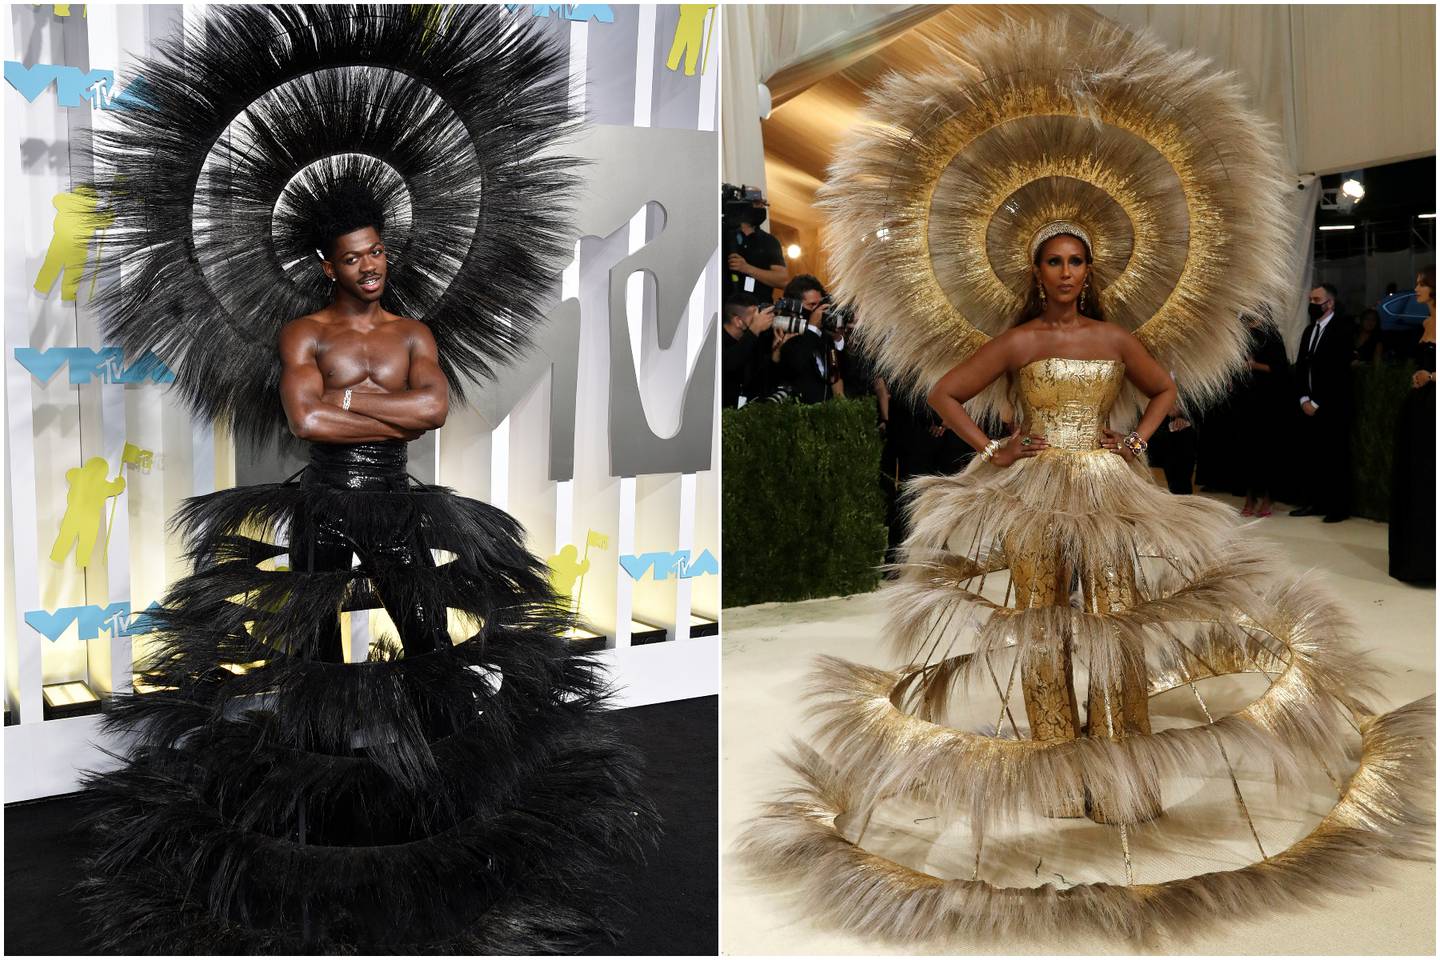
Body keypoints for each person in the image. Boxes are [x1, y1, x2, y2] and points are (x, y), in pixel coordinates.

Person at [741, 19, 1431, 942]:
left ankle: (1124, 778)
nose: (1065, 272)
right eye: (1052, 262)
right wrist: (993, 450)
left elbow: (1163, 389)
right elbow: (948, 391)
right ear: (1034, 269)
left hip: (1107, 491)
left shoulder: (1112, 339)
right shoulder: (1022, 340)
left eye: (1075, 261)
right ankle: (1058, 768)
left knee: (1115, 619)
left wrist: (1133, 441)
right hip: (1031, 492)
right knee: (1037, 621)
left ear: (1091, 267)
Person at [75, 7, 656, 953]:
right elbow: (310, 421)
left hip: (404, 497)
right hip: (323, 499)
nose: (373, 268)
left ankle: (441, 795)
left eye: (381, 253)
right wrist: (387, 415)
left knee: (428, 637)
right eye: (355, 259)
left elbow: (431, 411)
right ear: (325, 264)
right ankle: (326, 798)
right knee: (314, 652)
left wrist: (371, 415)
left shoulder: (414, 333)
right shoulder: (302, 333)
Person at [1290, 282, 1355, 522]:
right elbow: (1301, 367)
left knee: (1335, 457)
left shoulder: (1343, 328)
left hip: (1333, 406)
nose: (1312, 305)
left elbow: (1338, 372)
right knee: (1312, 456)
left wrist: (1317, 401)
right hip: (1308, 404)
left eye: (1316, 301)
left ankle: (1338, 507)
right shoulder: (1310, 331)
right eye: (1310, 300)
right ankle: (1314, 502)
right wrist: (1304, 398)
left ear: (1330, 303)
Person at [1389, 264, 1435, 583]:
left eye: (1421, 284)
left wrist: (1431, 375)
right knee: (1416, 477)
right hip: (1419, 409)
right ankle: (1415, 558)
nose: (1416, 289)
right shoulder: (1428, 322)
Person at [1238, 312, 1292, 516]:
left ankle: (1268, 498)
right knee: (1247, 451)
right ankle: (1249, 498)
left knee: (1268, 451)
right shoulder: (1243, 336)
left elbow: (1280, 369)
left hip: (1269, 402)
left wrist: (1253, 365)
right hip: (1247, 399)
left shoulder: (1272, 337)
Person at [768, 274, 842, 403]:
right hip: (796, 414)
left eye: (820, 305)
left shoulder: (822, 333)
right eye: (812, 305)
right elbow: (795, 367)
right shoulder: (780, 332)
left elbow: (839, 373)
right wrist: (812, 329)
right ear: (793, 306)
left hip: (825, 413)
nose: (818, 311)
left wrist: (838, 338)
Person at [724, 193, 789, 302]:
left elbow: (783, 280)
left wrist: (747, 268)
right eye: (757, 204)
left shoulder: (769, 241)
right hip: (726, 309)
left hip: (758, 309)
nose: (762, 208)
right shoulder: (723, 234)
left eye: (763, 204)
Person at [721, 295, 773, 407]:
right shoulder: (716, 340)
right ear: (738, 321)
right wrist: (755, 329)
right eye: (753, 317)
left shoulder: (754, 339)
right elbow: (728, 363)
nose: (758, 320)